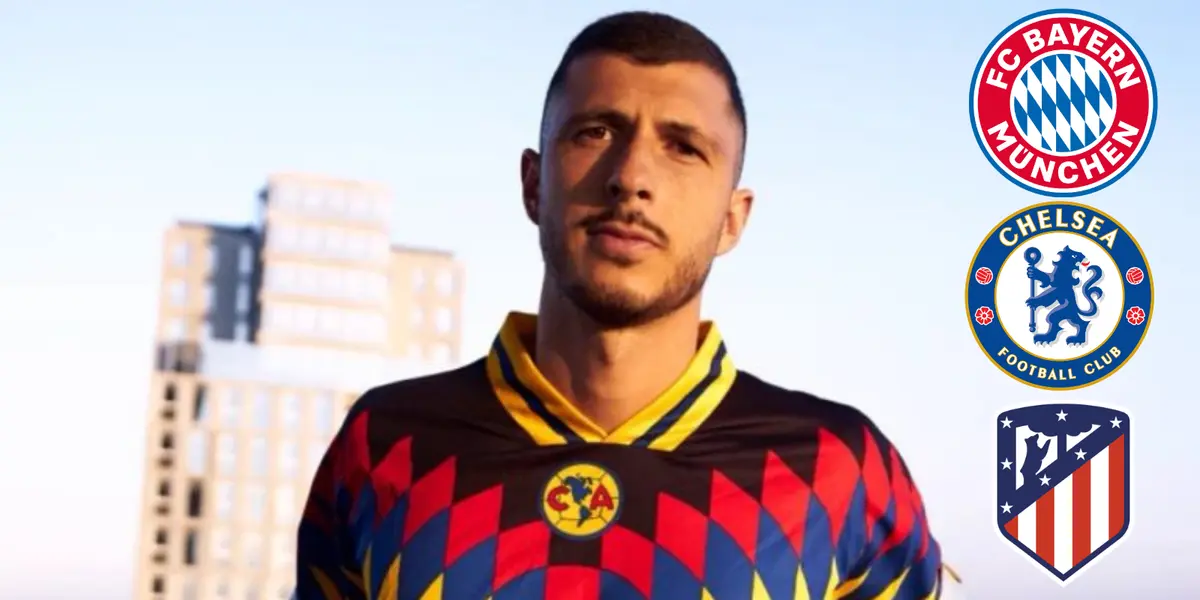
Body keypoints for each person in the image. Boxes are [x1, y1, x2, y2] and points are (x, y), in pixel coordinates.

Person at [297, 10, 958, 599]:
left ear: (734, 219)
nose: (632, 177)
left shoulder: (839, 471)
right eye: (596, 131)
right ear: (533, 183)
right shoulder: (385, 444)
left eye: (683, 147)